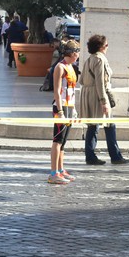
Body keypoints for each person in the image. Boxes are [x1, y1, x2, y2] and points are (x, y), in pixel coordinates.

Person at [78, 34, 129, 166]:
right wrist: (103, 101)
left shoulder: (89, 59)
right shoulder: (100, 60)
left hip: (89, 94)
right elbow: (100, 82)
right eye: (106, 45)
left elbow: (82, 80)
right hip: (97, 95)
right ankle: (112, 156)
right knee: (101, 125)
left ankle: (98, 155)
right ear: (101, 47)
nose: (107, 47)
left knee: (97, 125)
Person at [48, 40, 80, 185]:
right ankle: (53, 172)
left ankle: (60, 169)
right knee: (58, 140)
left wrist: (73, 109)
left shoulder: (71, 67)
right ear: (72, 53)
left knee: (64, 142)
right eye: (77, 52)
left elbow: (72, 89)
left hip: (69, 106)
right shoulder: (60, 67)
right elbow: (57, 90)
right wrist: (60, 110)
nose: (78, 55)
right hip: (61, 106)